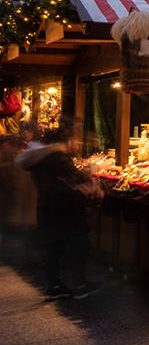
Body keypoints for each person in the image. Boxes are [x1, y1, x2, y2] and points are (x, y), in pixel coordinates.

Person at [15, 120, 101, 299]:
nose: (77, 145)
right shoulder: (57, 157)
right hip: (64, 207)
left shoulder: (39, 156)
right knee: (80, 242)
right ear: (66, 141)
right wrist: (92, 171)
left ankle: (54, 285)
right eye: (75, 141)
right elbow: (75, 176)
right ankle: (79, 285)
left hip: (47, 206)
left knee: (54, 247)